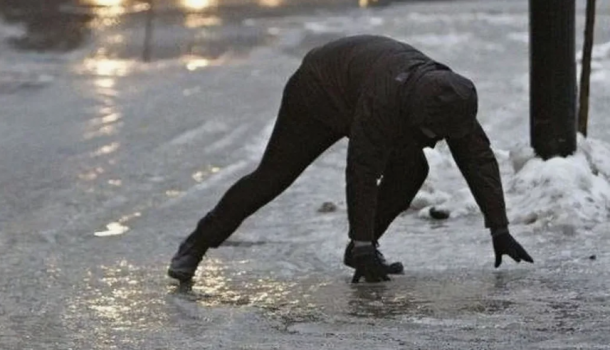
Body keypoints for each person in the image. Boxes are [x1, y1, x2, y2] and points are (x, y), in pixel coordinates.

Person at [167, 35, 534, 284]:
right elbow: (362, 170)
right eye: (431, 135)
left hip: (362, 82)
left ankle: (363, 246)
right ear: (414, 116)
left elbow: (478, 159)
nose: (438, 143)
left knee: (413, 168)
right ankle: (197, 243)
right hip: (318, 92)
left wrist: (499, 228)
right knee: (273, 177)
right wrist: (361, 243)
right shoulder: (385, 105)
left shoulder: (451, 99)